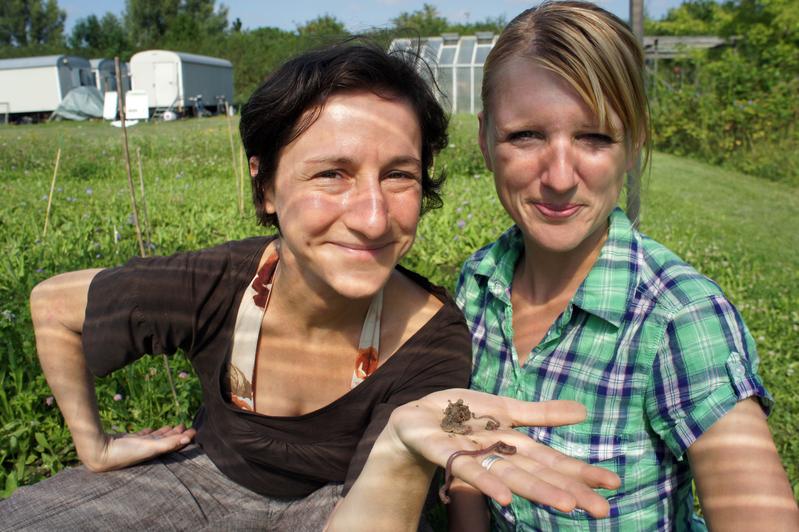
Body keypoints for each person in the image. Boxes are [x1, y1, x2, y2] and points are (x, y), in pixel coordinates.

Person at [0, 42, 619, 531]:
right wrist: (96, 447)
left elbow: (370, 515)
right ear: (266, 185)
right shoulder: (216, 282)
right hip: (190, 482)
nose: (373, 218)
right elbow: (53, 306)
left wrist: (404, 452)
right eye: (331, 173)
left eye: (399, 175)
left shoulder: (431, 340)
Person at [446, 2, 799, 530]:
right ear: (484, 140)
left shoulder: (679, 316)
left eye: (595, 137)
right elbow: (468, 452)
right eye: (526, 135)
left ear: (632, 145)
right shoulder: (477, 283)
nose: (560, 176)